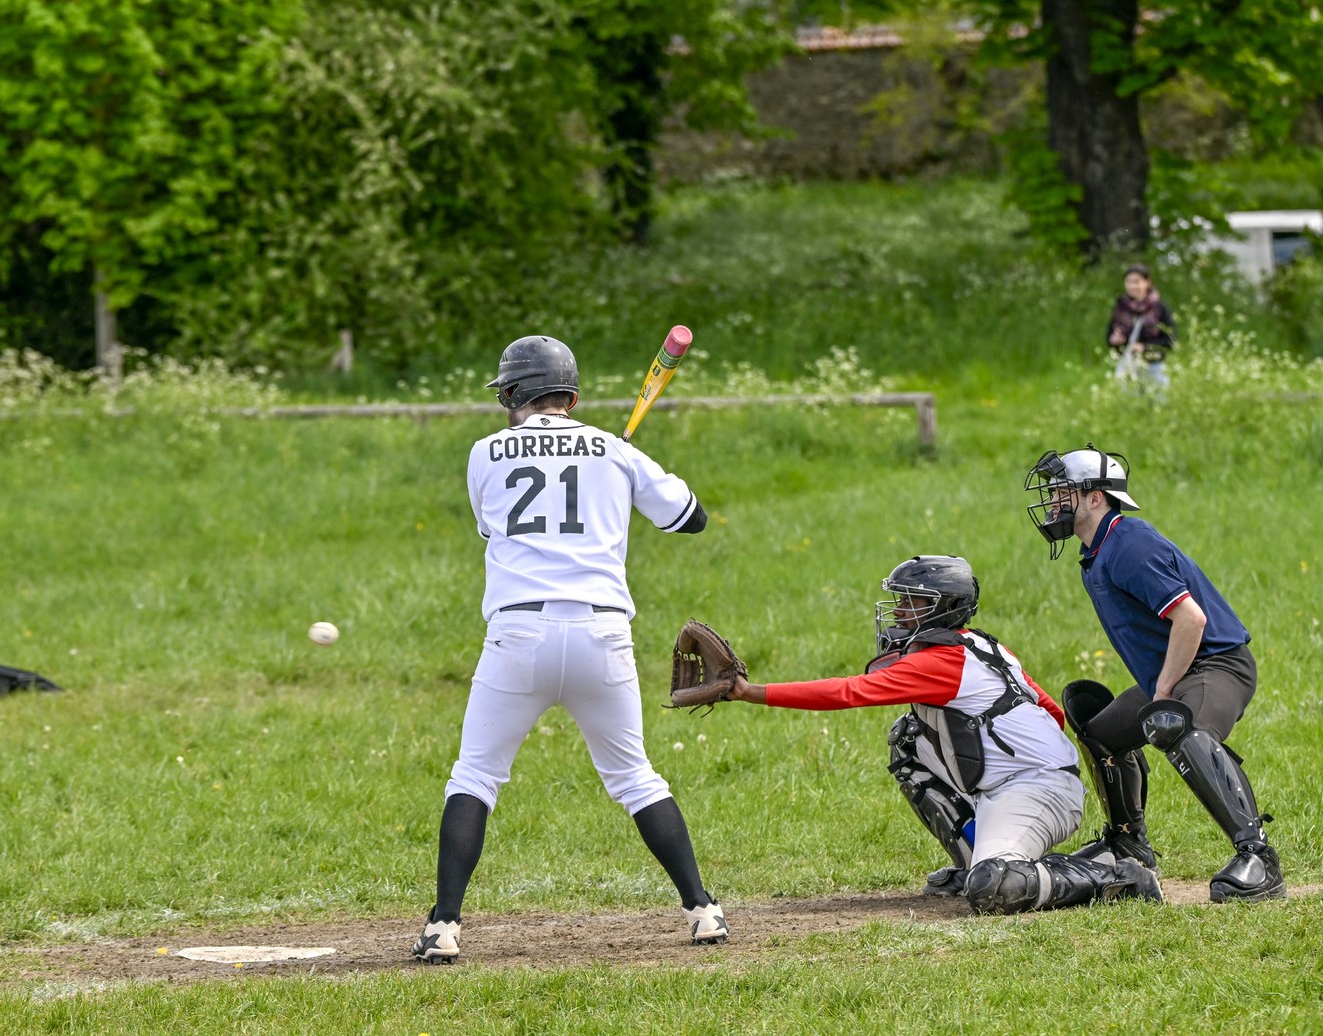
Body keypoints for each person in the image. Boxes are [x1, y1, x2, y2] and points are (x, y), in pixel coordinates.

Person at [413, 335, 727, 964]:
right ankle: (703, 910)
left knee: (475, 775)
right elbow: (691, 517)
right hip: (601, 636)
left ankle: (443, 927)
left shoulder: (483, 453)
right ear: (573, 396)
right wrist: (623, 467)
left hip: (517, 635)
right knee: (635, 778)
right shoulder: (613, 449)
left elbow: (492, 523)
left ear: (512, 395)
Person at [722, 555, 1161, 914]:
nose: (898, 613)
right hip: (1024, 782)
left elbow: (849, 692)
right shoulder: (983, 645)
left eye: (911, 603)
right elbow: (1049, 711)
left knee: (995, 888)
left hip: (1036, 789)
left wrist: (749, 691)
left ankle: (1119, 877)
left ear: (941, 609)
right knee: (910, 738)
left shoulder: (938, 662)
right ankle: (983, 857)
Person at [1023, 446, 1286, 902]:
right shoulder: (1098, 550)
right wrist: (1160, 690)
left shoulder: (1129, 543)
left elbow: (1192, 620)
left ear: (1094, 498)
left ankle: (1258, 858)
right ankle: (1127, 843)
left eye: (1062, 491)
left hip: (1217, 665)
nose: (1052, 502)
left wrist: (1162, 691)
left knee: (1181, 727)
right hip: (1182, 671)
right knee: (1099, 732)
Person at [1107, 264, 1175, 389]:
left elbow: (1170, 340)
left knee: (1157, 403)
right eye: (1128, 282)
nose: (1132, 286)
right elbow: (1109, 336)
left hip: (1153, 365)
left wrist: (1144, 347)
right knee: (1128, 405)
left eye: (1136, 282)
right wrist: (1114, 340)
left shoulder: (1160, 308)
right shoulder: (1121, 307)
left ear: (1147, 282)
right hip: (1128, 364)